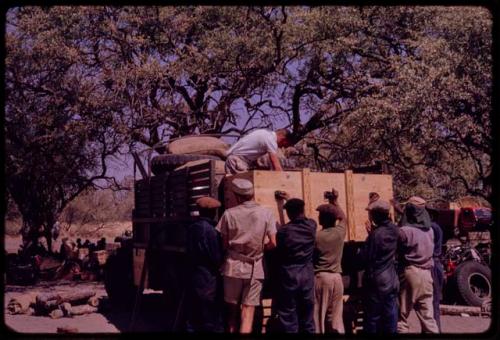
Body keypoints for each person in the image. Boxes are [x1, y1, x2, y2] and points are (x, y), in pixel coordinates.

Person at [216, 178, 277, 333]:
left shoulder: (229, 214)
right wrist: (259, 249)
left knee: (232, 312)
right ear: (252, 194)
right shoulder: (266, 213)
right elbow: (273, 243)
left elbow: (223, 244)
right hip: (256, 267)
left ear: (237, 196)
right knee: (248, 312)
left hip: (233, 268)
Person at [272, 198, 316, 333]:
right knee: (308, 316)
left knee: (289, 317)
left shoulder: (283, 232)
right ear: (302, 210)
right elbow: (306, 218)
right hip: (307, 274)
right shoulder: (311, 226)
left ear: (289, 214)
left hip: (289, 275)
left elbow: (278, 251)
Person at [397, 196, 439, 333]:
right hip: (427, 275)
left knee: (402, 317)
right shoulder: (430, 231)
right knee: (428, 318)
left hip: (411, 273)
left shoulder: (405, 231)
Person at [359, 200, 399, 334]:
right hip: (391, 279)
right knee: (390, 315)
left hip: (377, 280)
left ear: (375, 215)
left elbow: (364, 258)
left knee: (372, 318)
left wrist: (369, 236)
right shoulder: (394, 230)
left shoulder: (376, 235)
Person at [185, 196, 224, 332]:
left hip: (194, 274)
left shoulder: (192, 228)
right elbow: (216, 256)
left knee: (194, 316)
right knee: (210, 317)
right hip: (208, 278)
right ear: (213, 212)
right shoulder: (211, 231)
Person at [313, 203, 346, 334]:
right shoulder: (340, 232)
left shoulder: (316, 237)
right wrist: (336, 201)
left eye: (320, 215)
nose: (318, 217)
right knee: (336, 318)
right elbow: (343, 217)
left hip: (321, 278)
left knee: (319, 317)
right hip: (337, 279)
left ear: (323, 219)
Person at [225, 129, 293, 174]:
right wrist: (284, 179)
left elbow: (251, 150)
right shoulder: (271, 140)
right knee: (247, 190)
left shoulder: (264, 133)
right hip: (237, 162)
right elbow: (276, 165)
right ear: (283, 139)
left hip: (237, 160)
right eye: (284, 145)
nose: (281, 147)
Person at [427, 205, 444, 332]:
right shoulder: (435, 227)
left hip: (433, 264)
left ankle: (436, 330)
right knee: (433, 302)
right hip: (435, 264)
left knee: (433, 302)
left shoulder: (431, 227)